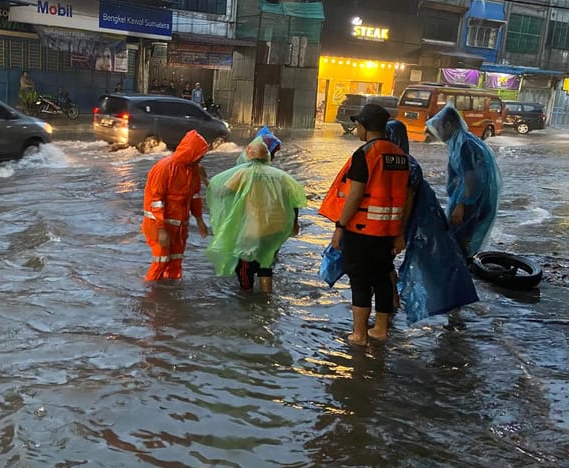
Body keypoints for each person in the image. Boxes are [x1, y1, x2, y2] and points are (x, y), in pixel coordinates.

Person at [318, 103, 409, 345]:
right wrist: (399, 232)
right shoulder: (401, 156)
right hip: (388, 230)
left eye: (358, 125)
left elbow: (355, 194)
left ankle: (359, 334)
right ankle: (380, 328)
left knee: (359, 279)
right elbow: (408, 198)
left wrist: (340, 226)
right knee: (381, 277)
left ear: (364, 127)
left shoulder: (366, 154)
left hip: (362, 229)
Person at [385, 120, 478, 324]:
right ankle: (396, 302)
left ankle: (393, 303)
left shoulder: (403, 165)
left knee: (432, 262)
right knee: (437, 261)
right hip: (421, 219)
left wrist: (398, 233)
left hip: (417, 222)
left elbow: (406, 200)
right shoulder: (404, 162)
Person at [206, 137, 306, 293]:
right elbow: (295, 200)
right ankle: (266, 297)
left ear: (248, 155)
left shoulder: (243, 174)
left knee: (244, 266)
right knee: (266, 263)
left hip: (253, 228)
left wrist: (204, 180)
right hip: (276, 229)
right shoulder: (282, 176)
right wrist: (294, 224)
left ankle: (247, 298)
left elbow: (220, 192)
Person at [426, 105, 501, 260]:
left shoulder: (464, 144)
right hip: (472, 198)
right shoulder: (464, 141)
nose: (438, 133)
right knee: (460, 241)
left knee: (457, 243)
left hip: (469, 201)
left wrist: (461, 204)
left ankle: (457, 277)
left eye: (439, 127)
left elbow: (471, 177)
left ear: (448, 125)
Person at [142, 130, 209, 281]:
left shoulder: (193, 170)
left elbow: (195, 196)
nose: (202, 158)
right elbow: (156, 200)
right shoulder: (164, 168)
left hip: (179, 226)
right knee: (161, 261)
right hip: (159, 225)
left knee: (175, 262)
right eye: (200, 155)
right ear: (191, 153)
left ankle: (169, 296)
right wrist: (161, 229)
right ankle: (148, 296)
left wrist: (199, 220)